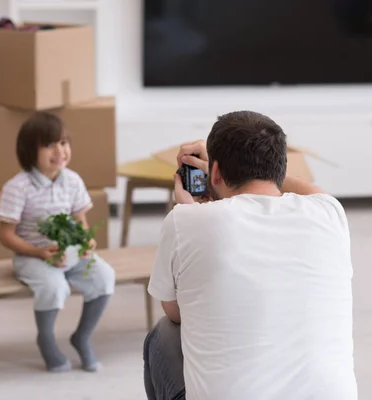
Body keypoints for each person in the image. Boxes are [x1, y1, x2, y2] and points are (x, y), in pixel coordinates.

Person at [143, 111, 357, 400]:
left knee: (163, 335)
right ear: (280, 170)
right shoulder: (330, 214)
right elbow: (314, 191)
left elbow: (175, 311)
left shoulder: (186, 221)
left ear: (214, 173)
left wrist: (188, 212)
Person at [0, 112, 115, 373]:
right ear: (30, 151)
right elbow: (6, 235)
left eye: (63, 142)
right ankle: (46, 340)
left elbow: (80, 219)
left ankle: (82, 337)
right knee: (53, 286)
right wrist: (39, 252)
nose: (60, 150)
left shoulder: (72, 180)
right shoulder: (17, 187)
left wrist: (85, 241)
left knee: (104, 276)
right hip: (31, 255)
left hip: (69, 252)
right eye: (49, 144)